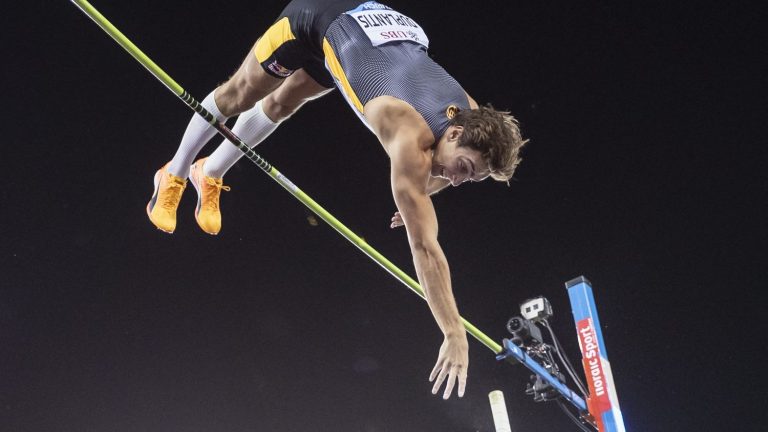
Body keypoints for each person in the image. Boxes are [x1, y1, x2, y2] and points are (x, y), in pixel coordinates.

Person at [146, 0, 527, 400]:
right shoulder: (408, 137)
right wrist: (454, 331)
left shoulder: (470, 116)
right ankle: (173, 171)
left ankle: (210, 173)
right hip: (315, 17)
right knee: (240, 94)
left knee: (282, 104)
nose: (460, 180)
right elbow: (425, 249)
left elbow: (447, 171)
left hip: (362, 37)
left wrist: (427, 191)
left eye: (475, 177)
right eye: (465, 169)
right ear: (452, 134)